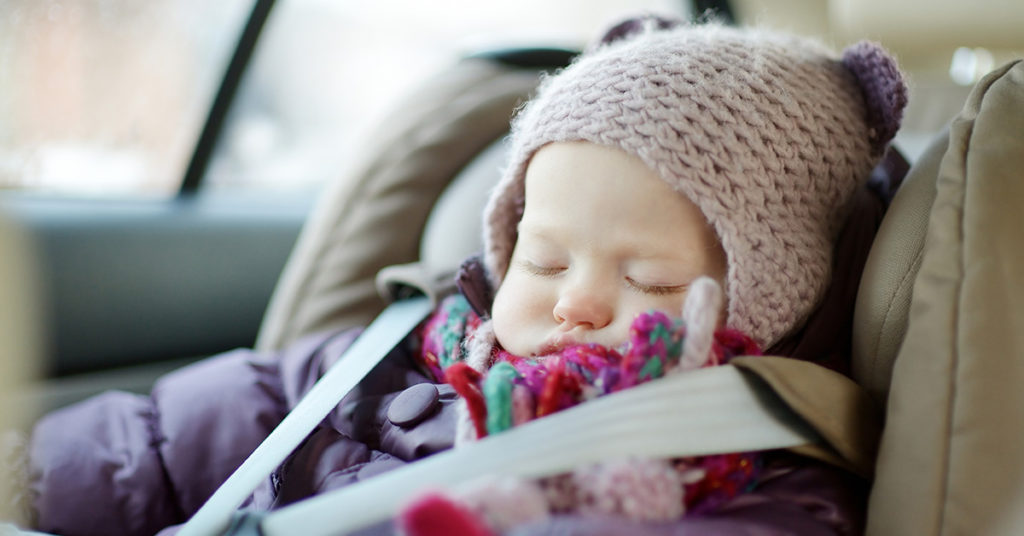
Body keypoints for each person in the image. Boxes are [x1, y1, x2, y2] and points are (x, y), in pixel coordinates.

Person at [14, 16, 906, 536]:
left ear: (779, 297)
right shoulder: (406, 356)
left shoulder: (761, 479)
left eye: (654, 282)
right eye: (545, 258)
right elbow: (177, 435)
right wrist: (28, 476)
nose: (576, 300)